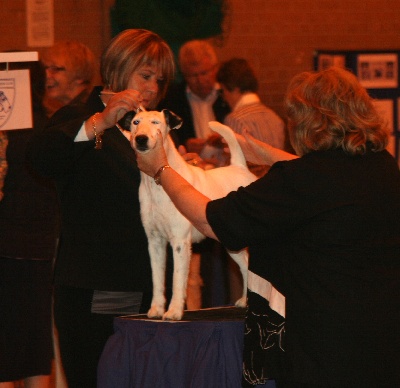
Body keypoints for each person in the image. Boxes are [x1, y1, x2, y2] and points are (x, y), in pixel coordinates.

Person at [135, 66, 400, 387]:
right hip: (382, 340)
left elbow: (212, 219)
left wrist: (162, 170)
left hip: (324, 349)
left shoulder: (301, 180)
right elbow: (326, 176)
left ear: (306, 121)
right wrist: (262, 152)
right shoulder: (383, 167)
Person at [27, 29, 175, 388]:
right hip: (98, 284)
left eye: (160, 79)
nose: (154, 87)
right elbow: (41, 157)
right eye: (145, 75)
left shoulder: (153, 125)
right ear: (117, 67)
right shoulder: (80, 115)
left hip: (151, 284)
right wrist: (102, 121)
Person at [0, 60, 58, 388]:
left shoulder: (7, 131)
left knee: (5, 348)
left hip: (7, 245)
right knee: (35, 342)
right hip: (40, 248)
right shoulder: (49, 127)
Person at [217, 57, 287, 177]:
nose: (224, 97)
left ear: (234, 88)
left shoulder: (235, 119)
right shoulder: (274, 117)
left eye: (223, 90)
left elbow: (235, 167)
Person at [40, 40, 97, 117]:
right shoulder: (69, 111)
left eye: (55, 69)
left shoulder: (89, 113)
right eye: (45, 68)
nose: (46, 75)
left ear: (80, 75)